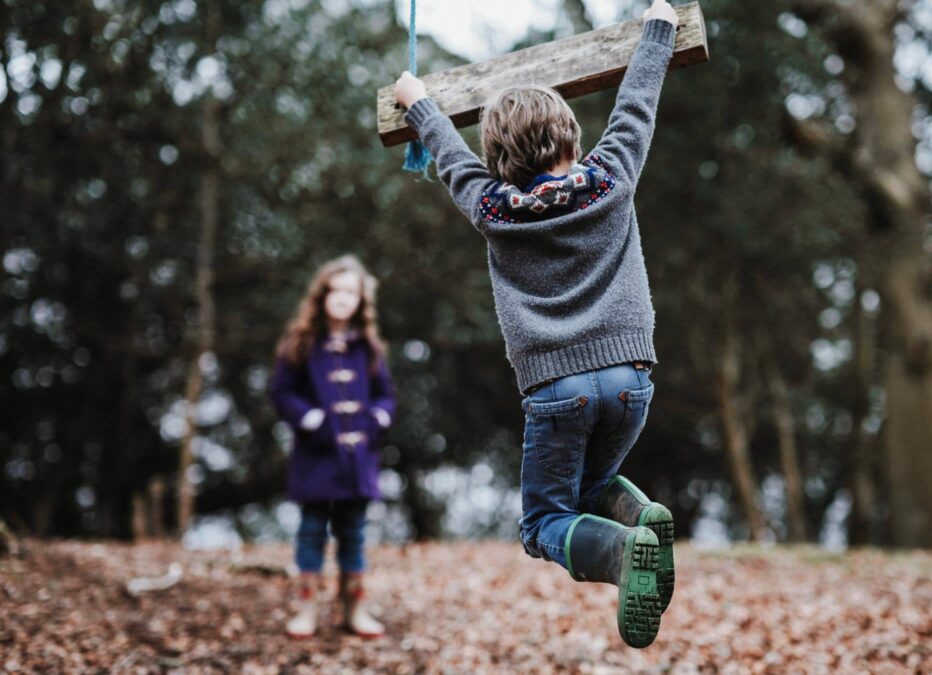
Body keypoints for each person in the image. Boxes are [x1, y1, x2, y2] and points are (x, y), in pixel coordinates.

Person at [393, 0, 679, 648]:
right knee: (594, 485)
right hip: (632, 380)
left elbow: (448, 155)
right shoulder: (612, 176)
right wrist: (658, 26)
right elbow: (638, 101)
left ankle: (624, 552)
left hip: (557, 389)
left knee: (544, 521)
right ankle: (643, 518)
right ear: (574, 139)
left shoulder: (493, 207)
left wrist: (419, 102)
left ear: (500, 159)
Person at [269, 255, 396, 639]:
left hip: (358, 461)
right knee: (311, 532)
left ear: (361, 300)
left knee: (354, 534)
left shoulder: (369, 347)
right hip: (316, 459)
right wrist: (311, 420)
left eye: (351, 292)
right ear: (321, 295)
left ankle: (353, 610)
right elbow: (280, 391)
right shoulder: (301, 342)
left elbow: (385, 395)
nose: (343, 298)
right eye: (336, 290)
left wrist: (377, 419)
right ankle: (306, 610)